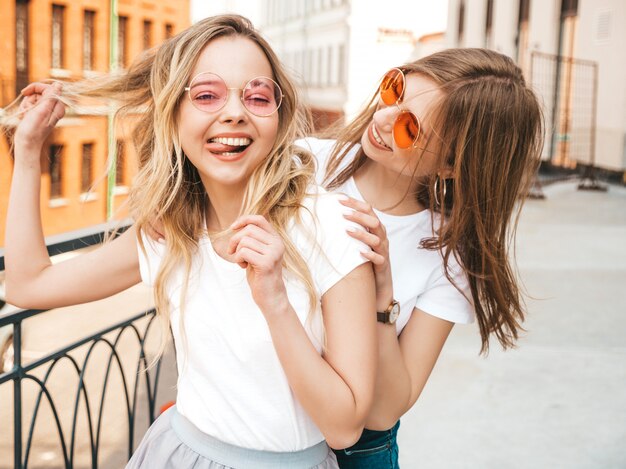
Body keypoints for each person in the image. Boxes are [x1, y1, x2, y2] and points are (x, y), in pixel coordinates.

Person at [3, 15, 379, 469]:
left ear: (278, 120)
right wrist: (27, 153)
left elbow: (344, 427)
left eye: (257, 96)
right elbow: (28, 285)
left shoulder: (333, 225)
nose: (235, 112)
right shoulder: (173, 229)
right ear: (174, 115)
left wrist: (275, 300)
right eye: (206, 95)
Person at [295, 48, 544, 468]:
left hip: (356, 452)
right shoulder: (302, 165)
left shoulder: (448, 256)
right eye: (395, 91)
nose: (383, 120)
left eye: (410, 128)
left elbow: (384, 410)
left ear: (451, 166)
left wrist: (381, 298)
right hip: (258, 424)